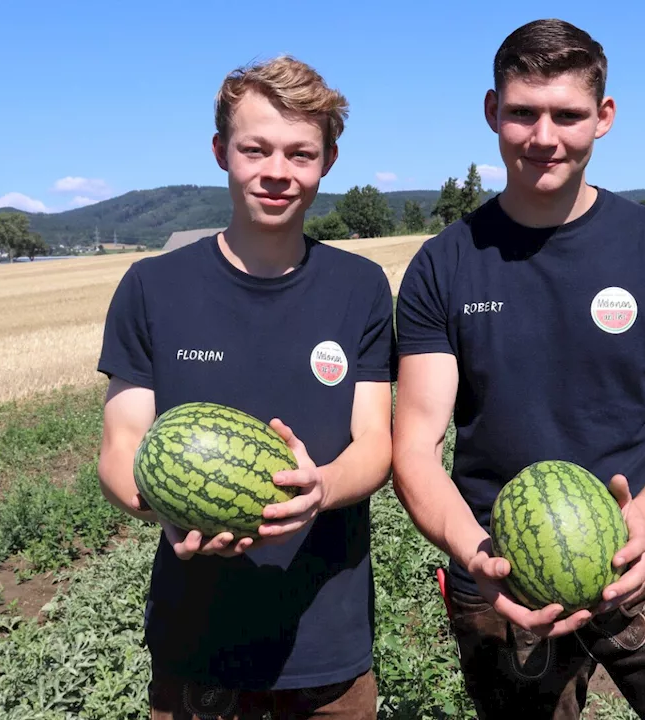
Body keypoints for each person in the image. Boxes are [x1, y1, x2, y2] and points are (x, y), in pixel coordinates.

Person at [391, 18, 645, 720]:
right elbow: (415, 448)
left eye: (567, 114)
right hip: (502, 571)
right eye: (523, 112)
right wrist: (475, 553)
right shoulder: (442, 265)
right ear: (492, 111)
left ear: (602, 117)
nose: (544, 136)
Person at [96, 55, 394, 720]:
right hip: (196, 646)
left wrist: (320, 492)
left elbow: (376, 441)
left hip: (328, 643)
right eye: (255, 149)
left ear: (328, 161)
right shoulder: (152, 288)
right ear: (220, 152)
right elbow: (121, 446)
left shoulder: (361, 289)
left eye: (300, 153)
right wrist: (162, 508)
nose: (277, 173)